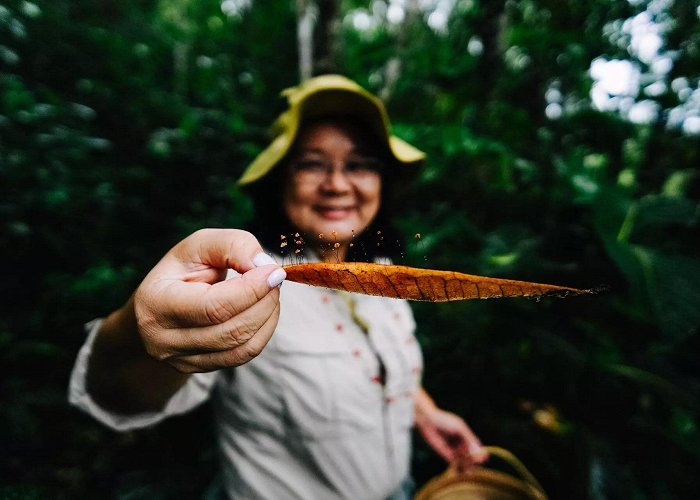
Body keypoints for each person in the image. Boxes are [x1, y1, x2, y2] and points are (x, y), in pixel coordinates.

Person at [69, 74, 486, 499]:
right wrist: (138, 335)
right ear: (279, 180)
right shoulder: (241, 282)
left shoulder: (381, 269)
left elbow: (374, 363)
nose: (338, 184)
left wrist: (426, 412)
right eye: (311, 163)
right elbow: (119, 394)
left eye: (359, 164)